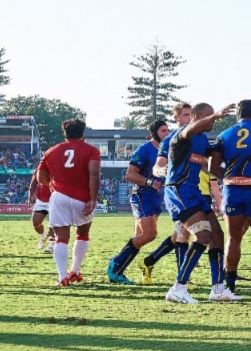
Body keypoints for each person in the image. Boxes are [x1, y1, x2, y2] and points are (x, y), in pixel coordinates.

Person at [163, 102, 236, 303]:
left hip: (194, 192)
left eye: (213, 116)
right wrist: (217, 115)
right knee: (203, 234)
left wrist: (229, 176)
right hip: (178, 191)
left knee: (217, 235)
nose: (212, 120)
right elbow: (190, 130)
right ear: (197, 117)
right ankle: (178, 288)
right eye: (209, 116)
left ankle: (218, 289)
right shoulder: (181, 136)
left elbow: (211, 166)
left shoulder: (203, 140)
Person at [210, 99, 251, 298]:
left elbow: (212, 167)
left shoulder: (224, 135)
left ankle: (230, 285)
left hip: (232, 191)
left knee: (233, 238)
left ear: (237, 114)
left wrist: (229, 179)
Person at [36, 119, 101, 286]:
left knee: (61, 238)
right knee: (83, 234)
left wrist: (54, 182)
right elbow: (94, 175)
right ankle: (75, 271)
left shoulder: (51, 151)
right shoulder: (91, 151)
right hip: (83, 198)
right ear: (83, 133)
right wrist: (93, 198)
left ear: (65, 133)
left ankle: (62, 277)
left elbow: (40, 178)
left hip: (59, 197)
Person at [107, 119, 169, 284]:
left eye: (168, 131)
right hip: (143, 195)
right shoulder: (144, 150)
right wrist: (149, 182)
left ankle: (118, 270)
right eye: (163, 131)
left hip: (156, 197)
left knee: (140, 236)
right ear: (154, 133)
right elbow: (130, 174)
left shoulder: (166, 151)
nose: (167, 134)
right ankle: (115, 264)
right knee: (150, 234)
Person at [142, 102, 193, 283]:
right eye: (186, 115)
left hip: (198, 191)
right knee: (184, 233)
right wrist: (159, 171)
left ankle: (149, 261)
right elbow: (158, 165)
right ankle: (182, 279)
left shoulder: (198, 136)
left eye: (191, 114)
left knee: (178, 235)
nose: (190, 118)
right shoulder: (171, 139)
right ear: (176, 118)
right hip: (181, 194)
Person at [27, 167, 54, 252]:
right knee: (35, 222)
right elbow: (33, 183)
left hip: (54, 198)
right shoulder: (38, 169)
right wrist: (30, 197)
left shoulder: (56, 167)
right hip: (41, 200)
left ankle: (51, 245)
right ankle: (43, 236)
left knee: (52, 223)